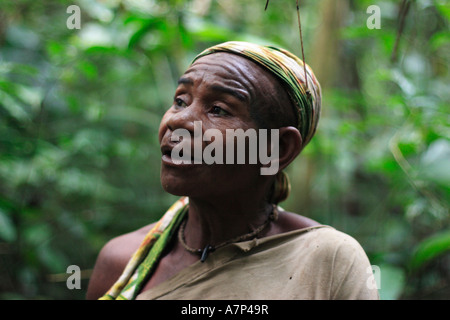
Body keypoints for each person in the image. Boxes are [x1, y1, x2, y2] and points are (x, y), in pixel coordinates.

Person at [86, 41, 379, 300]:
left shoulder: (326, 261)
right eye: (180, 101)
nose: (179, 121)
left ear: (278, 149)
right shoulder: (122, 262)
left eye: (219, 110)